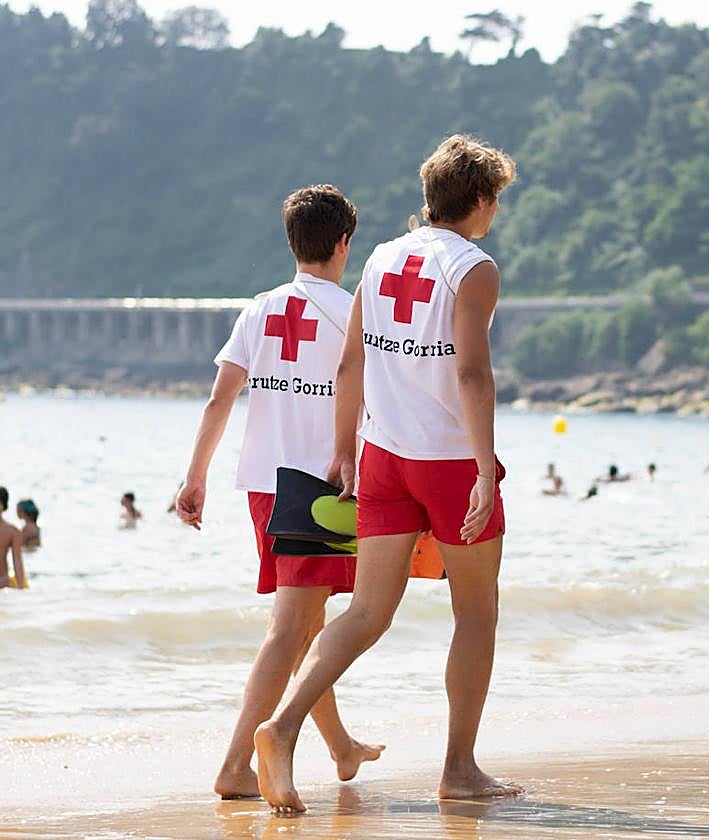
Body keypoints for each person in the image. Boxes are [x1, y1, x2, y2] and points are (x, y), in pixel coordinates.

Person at [254, 135, 522, 813]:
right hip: (450, 460)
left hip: (382, 458)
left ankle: (281, 728)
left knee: (366, 611)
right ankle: (459, 770)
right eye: (497, 198)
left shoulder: (379, 258)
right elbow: (470, 372)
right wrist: (485, 470)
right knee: (476, 614)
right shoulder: (475, 268)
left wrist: (345, 450)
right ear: (482, 199)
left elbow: (352, 365)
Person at [174, 184, 381, 800]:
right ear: (344, 243)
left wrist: (195, 475)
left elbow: (221, 397)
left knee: (306, 623)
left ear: (291, 241)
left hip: (263, 485)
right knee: (291, 627)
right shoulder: (351, 312)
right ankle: (237, 764)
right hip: (318, 487)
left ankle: (341, 747)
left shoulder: (260, 308)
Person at [0, 488, 28, 589]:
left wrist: (21, 588)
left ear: (2, 506)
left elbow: (18, 562)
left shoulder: (13, 532)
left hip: (2, 581)